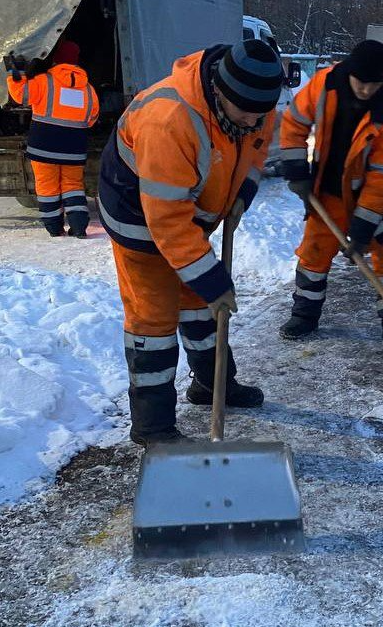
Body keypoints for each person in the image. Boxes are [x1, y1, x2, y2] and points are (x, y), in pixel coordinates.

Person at [98, 40, 284, 446]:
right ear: (219, 92)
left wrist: (243, 194)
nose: (255, 121)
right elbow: (166, 220)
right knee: (155, 320)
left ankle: (213, 386)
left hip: (189, 212)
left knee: (201, 306)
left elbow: (254, 151)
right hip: (139, 219)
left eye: (261, 114)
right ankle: (153, 426)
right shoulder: (169, 119)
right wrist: (212, 279)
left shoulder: (254, 106)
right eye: (246, 113)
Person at [278, 39, 383, 348]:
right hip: (330, 188)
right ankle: (305, 314)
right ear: (349, 71)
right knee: (314, 251)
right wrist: (296, 168)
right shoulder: (325, 83)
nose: (366, 90)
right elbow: (294, 122)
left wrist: (363, 230)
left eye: (373, 84)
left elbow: (382, 175)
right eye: (360, 82)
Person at [6, 40, 99, 237]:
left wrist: (16, 75)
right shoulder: (88, 89)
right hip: (74, 149)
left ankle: (55, 228)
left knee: (47, 187)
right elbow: (92, 119)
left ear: (56, 59)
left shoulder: (45, 81)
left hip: (44, 147)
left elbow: (21, 96)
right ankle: (79, 226)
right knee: (73, 187)